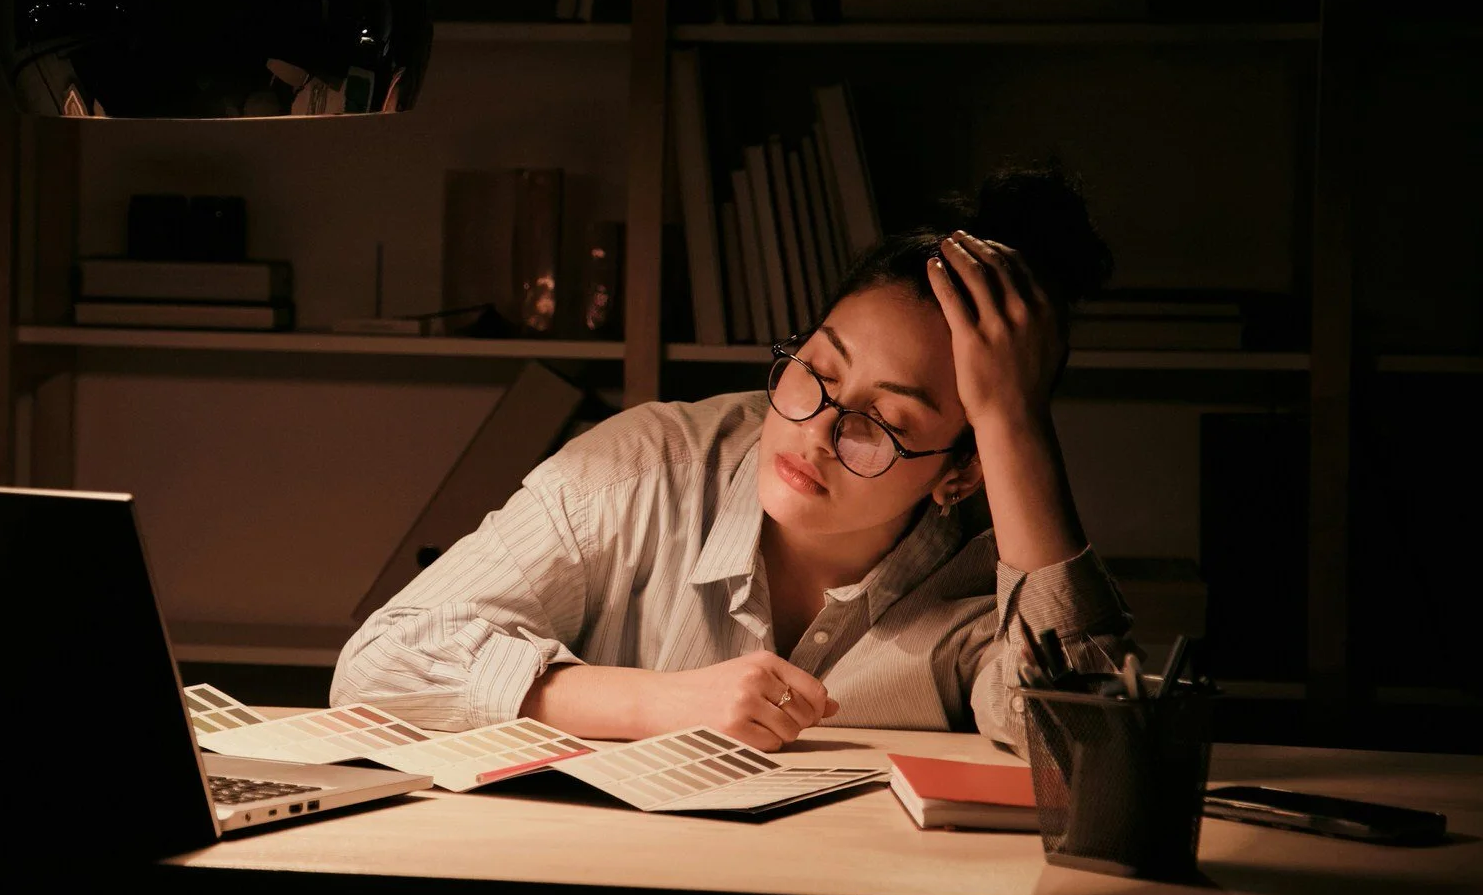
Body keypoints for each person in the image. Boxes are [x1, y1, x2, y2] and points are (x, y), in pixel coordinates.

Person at [333, 163, 1138, 755]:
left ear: (960, 471)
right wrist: (660, 703)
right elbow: (379, 665)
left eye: (884, 423)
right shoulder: (644, 471)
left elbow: (1087, 748)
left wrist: (1016, 423)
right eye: (816, 372)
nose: (817, 430)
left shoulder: (986, 574)